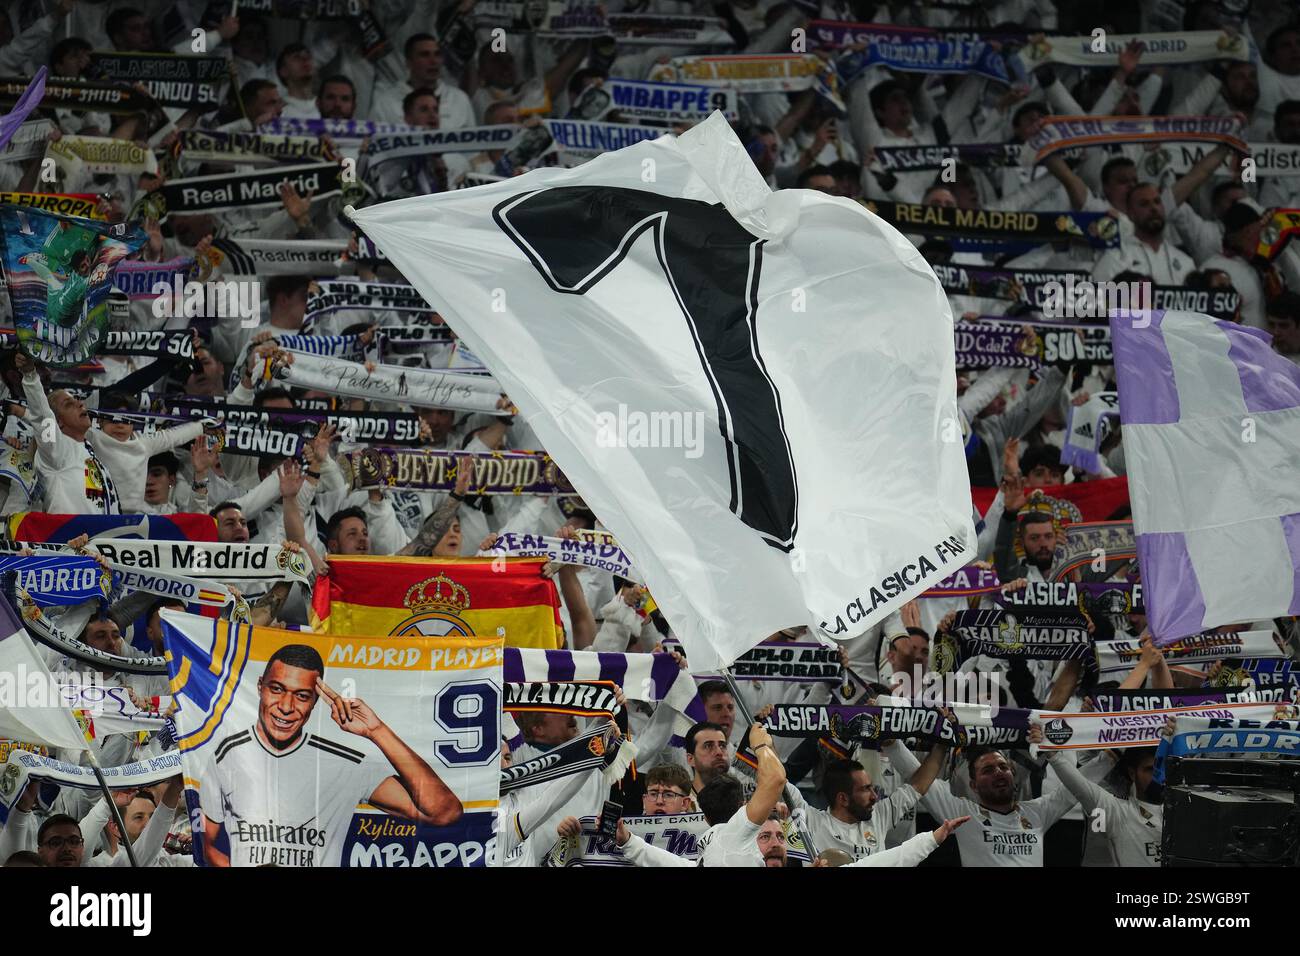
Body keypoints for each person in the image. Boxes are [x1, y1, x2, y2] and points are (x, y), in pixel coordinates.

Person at [199, 643, 463, 866]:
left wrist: (377, 731)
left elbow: (445, 812)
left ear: (315, 701)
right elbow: (210, 846)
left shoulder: (344, 763)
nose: (286, 707)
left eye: (301, 696)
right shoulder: (226, 755)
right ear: (260, 687)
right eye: (277, 689)